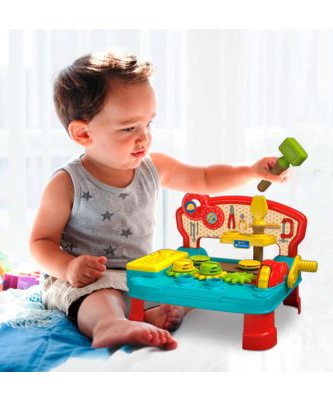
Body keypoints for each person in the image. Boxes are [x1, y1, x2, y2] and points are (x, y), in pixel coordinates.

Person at [29, 50, 286, 351]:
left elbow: (204, 178)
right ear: (83, 133)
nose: (144, 138)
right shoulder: (67, 182)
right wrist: (69, 267)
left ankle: (155, 312)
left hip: (140, 273)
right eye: (129, 128)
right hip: (87, 282)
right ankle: (108, 325)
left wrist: (250, 171)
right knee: (101, 299)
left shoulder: (152, 167)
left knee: (189, 281)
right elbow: (40, 242)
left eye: (148, 124)